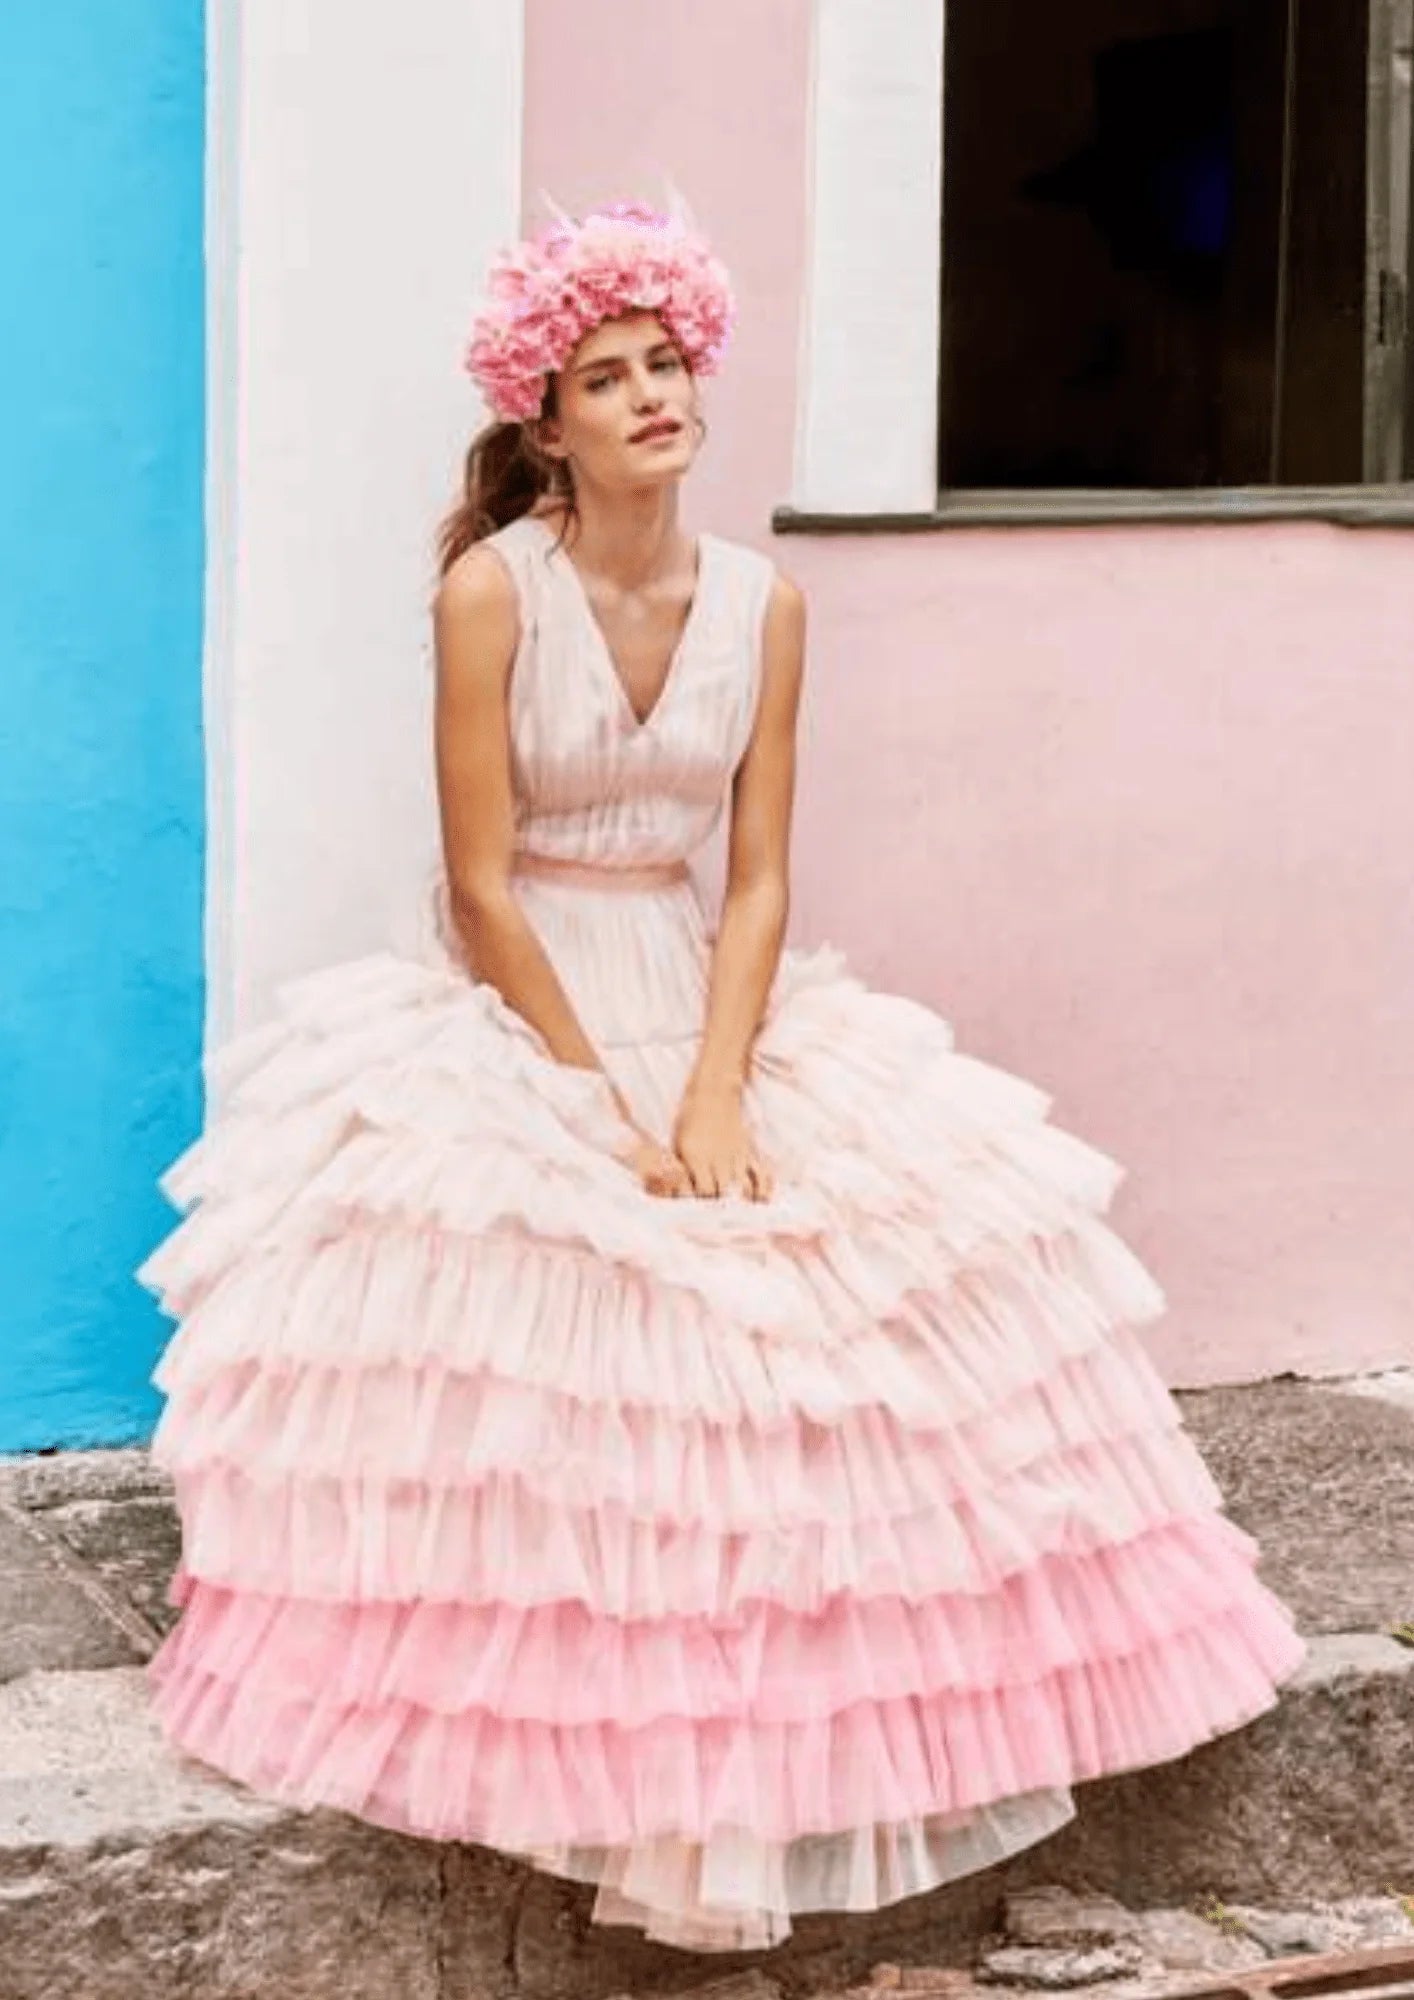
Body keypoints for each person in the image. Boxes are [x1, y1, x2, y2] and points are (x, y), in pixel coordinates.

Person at [138, 198, 1306, 1954]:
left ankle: (791, 1752)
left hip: (704, 991)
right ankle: (596, 1756)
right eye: (604, 379)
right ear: (548, 426)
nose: (649, 397)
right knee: (594, 1350)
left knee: (839, 1338)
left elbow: (755, 874)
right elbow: (477, 882)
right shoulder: (486, 591)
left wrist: (713, 1089)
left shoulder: (763, 603)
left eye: (666, 363)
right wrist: (596, 1096)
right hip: (532, 990)